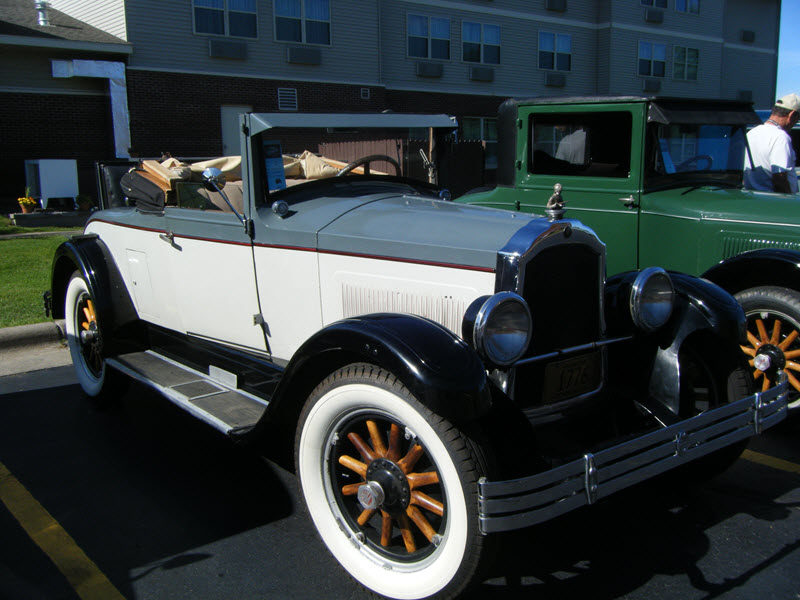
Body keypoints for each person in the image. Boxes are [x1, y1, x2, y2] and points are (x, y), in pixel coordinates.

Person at [743, 93, 800, 193]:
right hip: (775, 201)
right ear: (792, 115)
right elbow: (779, 177)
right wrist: (789, 202)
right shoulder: (780, 137)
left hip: (753, 197)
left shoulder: (751, 133)